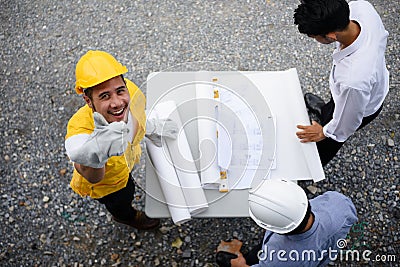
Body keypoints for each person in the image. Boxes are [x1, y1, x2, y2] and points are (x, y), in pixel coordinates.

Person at [65, 50, 177, 230]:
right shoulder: (80, 130)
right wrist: (96, 155)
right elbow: (89, 173)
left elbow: (139, 115)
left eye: (119, 91)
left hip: (126, 166)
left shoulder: (131, 91)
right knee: (121, 201)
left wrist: (152, 127)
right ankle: (126, 217)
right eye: (104, 96)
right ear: (88, 100)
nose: (117, 103)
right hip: (110, 186)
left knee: (130, 187)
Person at [293, 0, 389, 166]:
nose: (315, 40)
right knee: (333, 106)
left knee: (329, 142)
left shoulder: (353, 80)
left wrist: (325, 132)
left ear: (331, 36)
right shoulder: (362, 8)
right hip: (365, 88)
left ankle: (311, 166)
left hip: (362, 105)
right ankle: (325, 112)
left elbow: (348, 120)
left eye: (315, 37)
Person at [225, 179, 357, 266]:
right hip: (321, 255)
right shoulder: (339, 202)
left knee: (225, 259)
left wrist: (239, 265)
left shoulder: (277, 258)